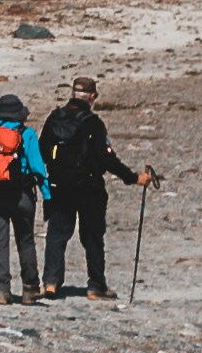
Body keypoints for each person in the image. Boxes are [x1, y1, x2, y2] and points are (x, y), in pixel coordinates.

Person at [38, 78, 143, 300]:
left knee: (57, 234)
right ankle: (96, 285)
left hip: (59, 186)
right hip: (89, 188)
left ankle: (50, 282)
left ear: (73, 94)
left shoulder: (54, 118)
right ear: (93, 97)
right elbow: (106, 159)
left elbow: (42, 151)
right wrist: (132, 178)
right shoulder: (93, 123)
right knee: (93, 236)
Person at [0, 94, 46, 304]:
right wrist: (47, 195)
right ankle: (30, 289)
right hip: (21, 195)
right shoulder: (27, 134)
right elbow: (38, 168)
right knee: (25, 240)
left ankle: (2, 289)